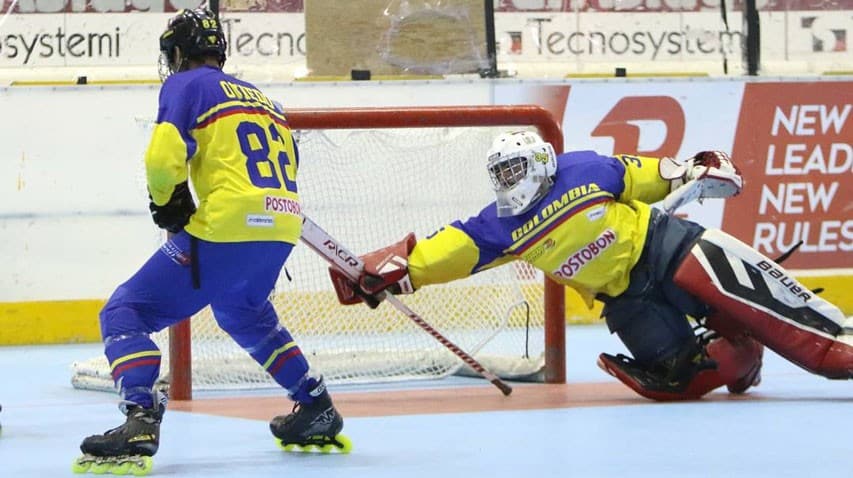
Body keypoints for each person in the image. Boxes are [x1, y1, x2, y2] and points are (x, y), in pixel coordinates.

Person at [329, 130, 852, 401]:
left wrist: (698, 167)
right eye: (500, 172)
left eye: (514, 168)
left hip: (669, 248)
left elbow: (650, 175)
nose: (508, 180)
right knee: (679, 379)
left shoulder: (582, 167)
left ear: (537, 163)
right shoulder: (498, 226)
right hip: (626, 300)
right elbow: (444, 251)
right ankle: (743, 353)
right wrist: (393, 271)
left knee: (812, 340)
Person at [74, 8, 349, 474]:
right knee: (242, 312)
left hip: (228, 224)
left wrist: (167, 200)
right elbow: (290, 163)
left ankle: (139, 416)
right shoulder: (264, 99)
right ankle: (316, 405)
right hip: (284, 223)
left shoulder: (185, 85)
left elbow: (164, 155)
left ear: (178, 52)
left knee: (126, 310)